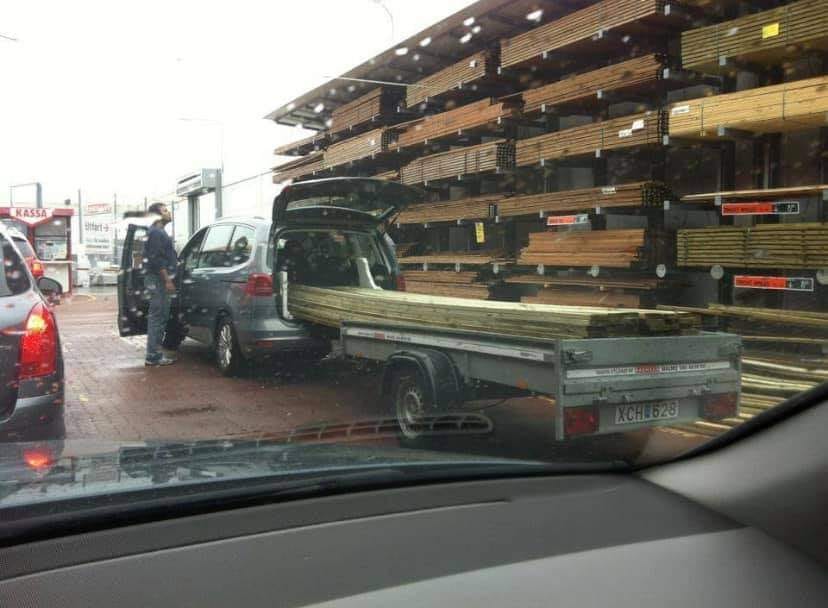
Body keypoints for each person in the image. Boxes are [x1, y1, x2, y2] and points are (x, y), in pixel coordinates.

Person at [143, 202, 177, 367]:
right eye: (165, 210)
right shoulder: (156, 233)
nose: (168, 212)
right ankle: (153, 356)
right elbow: (156, 259)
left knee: (159, 317)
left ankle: (154, 354)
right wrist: (167, 280)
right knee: (157, 318)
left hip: (158, 279)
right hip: (158, 280)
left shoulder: (157, 232)